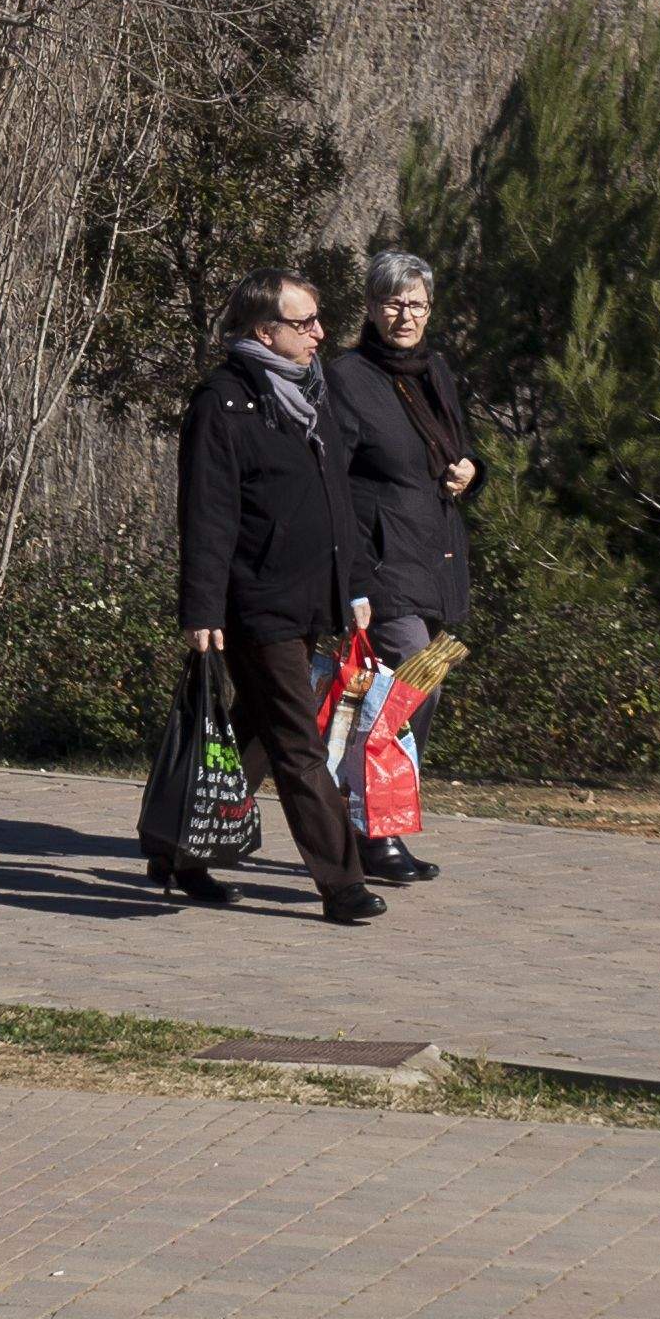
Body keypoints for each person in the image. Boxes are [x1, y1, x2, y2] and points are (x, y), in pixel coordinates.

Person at [168, 271, 380, 923]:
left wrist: (357, 586)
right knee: (298, 742)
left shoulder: (309, 395)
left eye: (318, 319)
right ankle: (342, 882)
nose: (320, 332)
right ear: (266, 332)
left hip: (307, 595)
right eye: (305, 322)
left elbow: (335, 501)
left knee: (257, 732)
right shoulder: (223, 404)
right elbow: (207, 516)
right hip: (254, 601)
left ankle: (179, 846)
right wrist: (203, 610)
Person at [321, 247, 478, 888]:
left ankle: (372, 822)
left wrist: (473, 471)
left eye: (415, 302)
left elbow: (456, 449)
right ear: (370, 307)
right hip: (383, 563)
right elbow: (335, 484)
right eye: (392, 302)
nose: (404, 314)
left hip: (435, 557)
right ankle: (368, 830)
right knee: (411, 690)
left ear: (430, 307)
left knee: (402, 702)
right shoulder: (346, 378)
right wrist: (351, 581)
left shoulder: (434, 369)